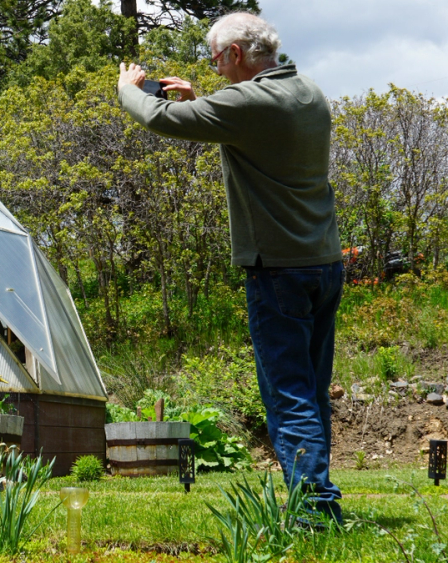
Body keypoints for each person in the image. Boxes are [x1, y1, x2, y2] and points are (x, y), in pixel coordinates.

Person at [117, 12, 344, 523]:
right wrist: (204, 101)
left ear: (237, 55)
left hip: (277, 271)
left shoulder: (248, 102)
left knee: (288, 395)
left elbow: (159, 119)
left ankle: (315, 511)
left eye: (218, 59)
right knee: (311, 389)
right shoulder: (308, 92)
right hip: (323, 264)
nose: (217, 69)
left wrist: (129, 88)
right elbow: (251, 130)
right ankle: (320, 493)